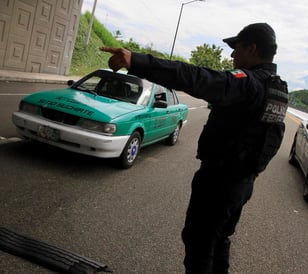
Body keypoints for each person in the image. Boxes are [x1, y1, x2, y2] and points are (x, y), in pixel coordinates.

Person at [100, 22, 288, 274]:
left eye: (237, 48)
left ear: (252, 49)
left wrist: (136, 61)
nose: (232, 55)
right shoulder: (276, 88)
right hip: (242, 182)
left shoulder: (248, 83)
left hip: (220, 182)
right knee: (218, 241)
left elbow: (197, 78)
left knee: (199, 246)